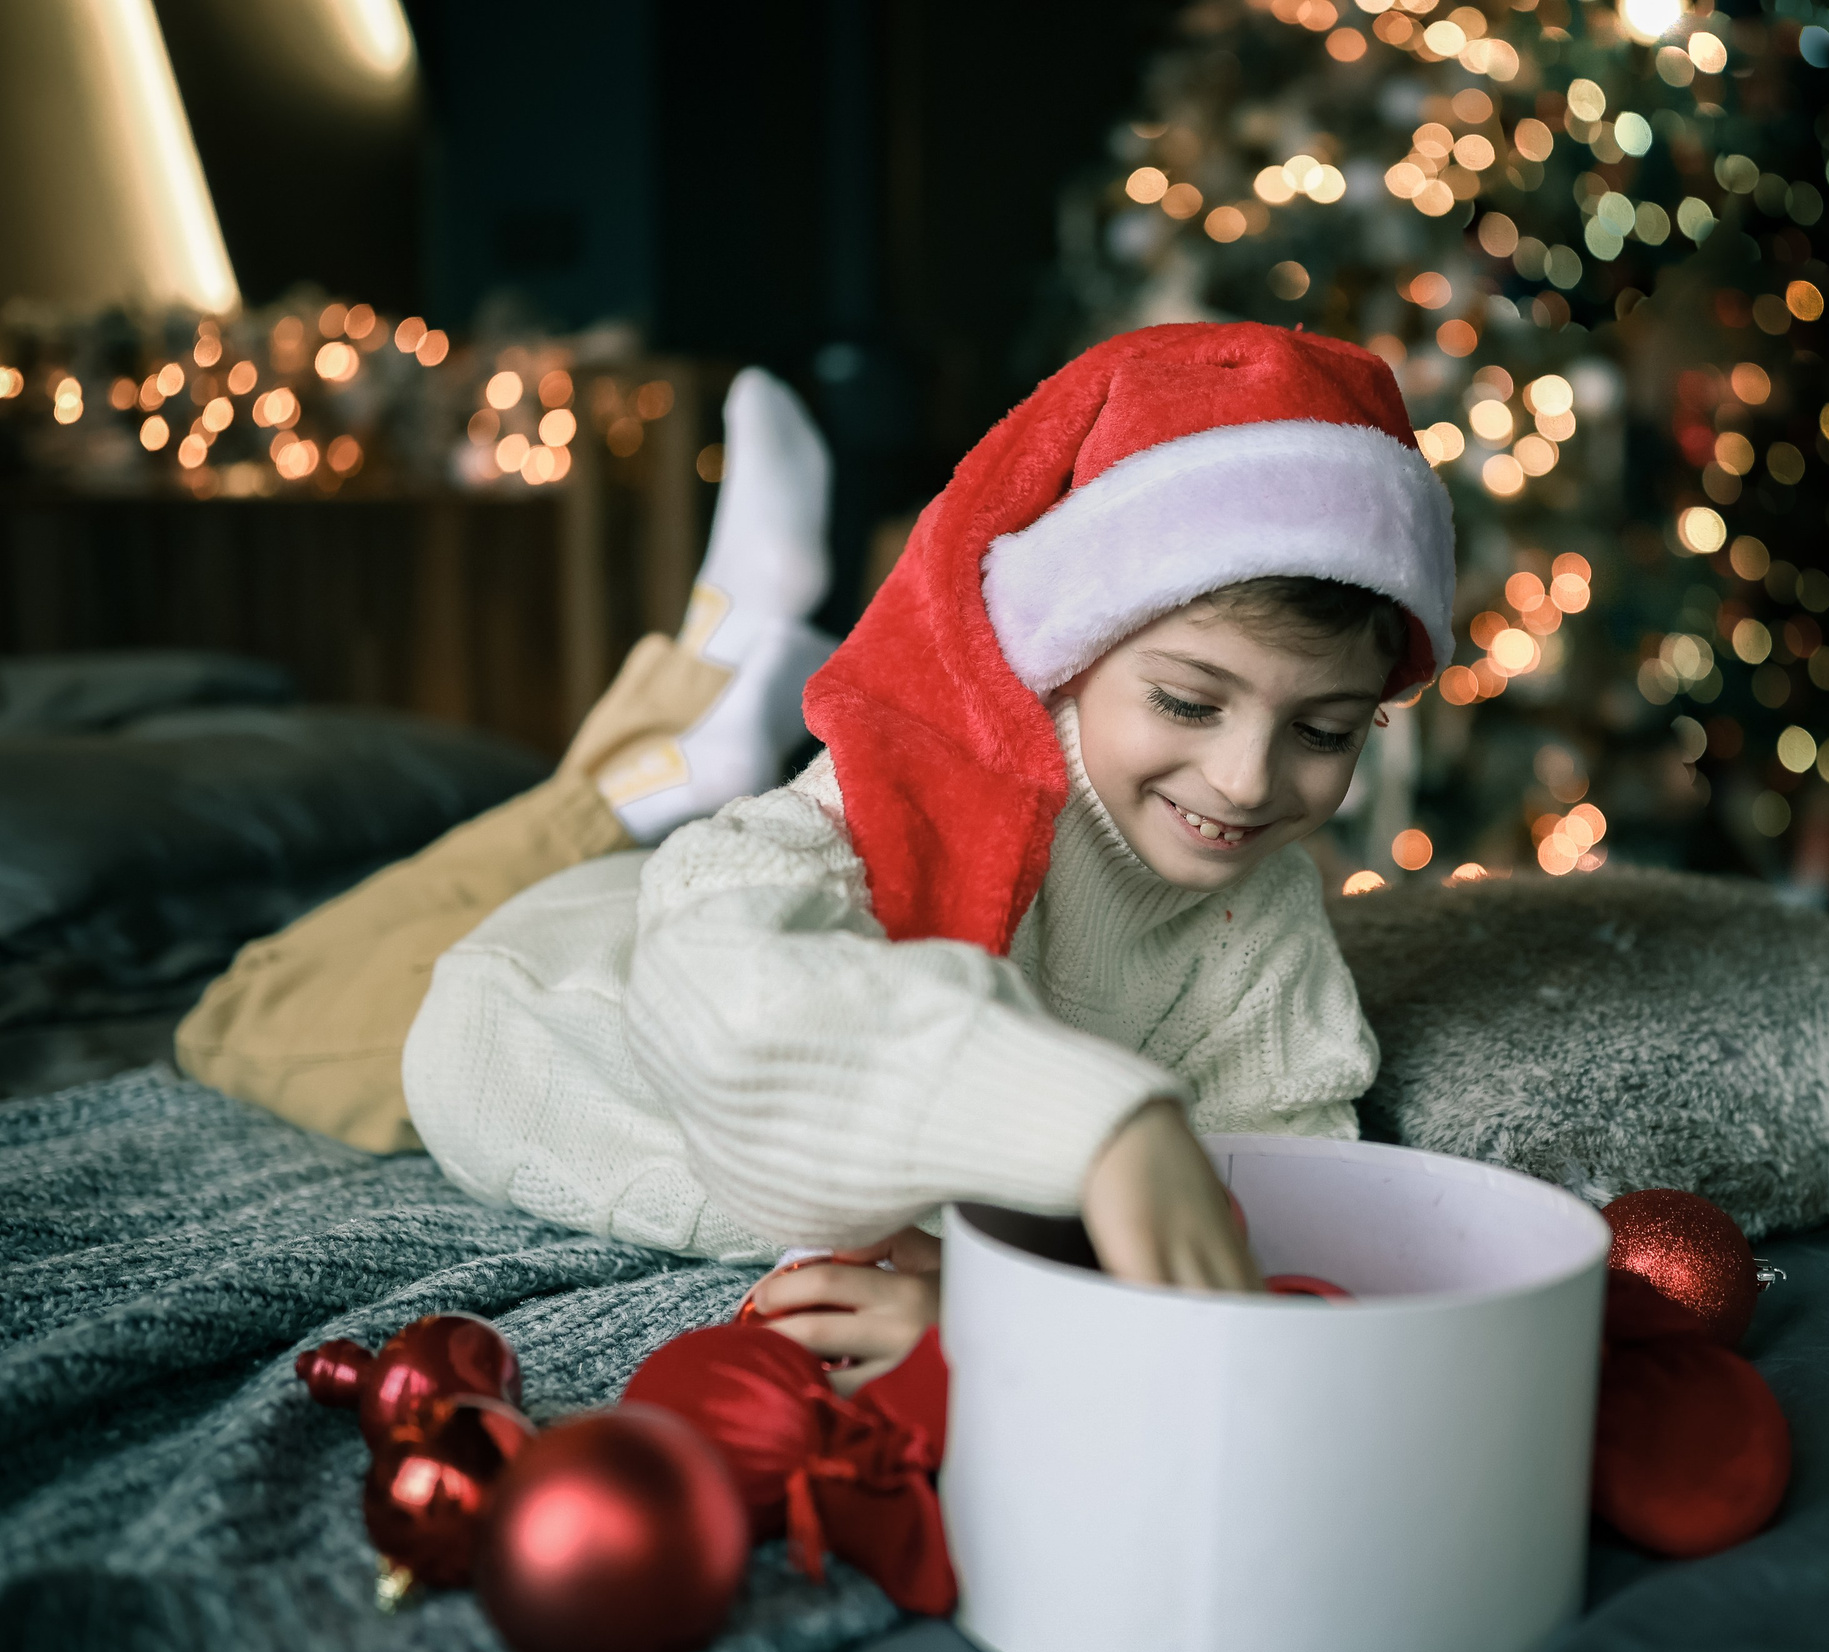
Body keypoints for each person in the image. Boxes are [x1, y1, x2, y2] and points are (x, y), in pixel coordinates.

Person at [181, 323, 1455, 1387]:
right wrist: (1107, 1129)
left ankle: (688, 727)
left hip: (692, 890)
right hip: (521, 997)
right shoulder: (896, 802)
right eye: (1186, 703)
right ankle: (658, 749)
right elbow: (749, 1017)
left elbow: (1257, 1207)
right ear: (1065, 657)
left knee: (709, 857)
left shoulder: (1261, 919)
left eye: (1324, 730)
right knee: (238, 1012)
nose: (1244, 781)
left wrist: (1020, 1320)